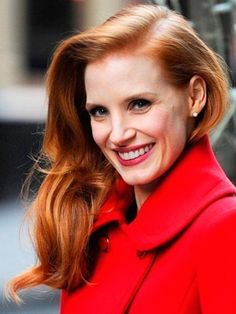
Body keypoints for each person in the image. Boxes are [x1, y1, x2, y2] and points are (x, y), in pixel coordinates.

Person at [7, 4, 236, 313]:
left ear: (195, 96)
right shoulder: (93, 222)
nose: (117, 134)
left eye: (139, 104)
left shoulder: (224, 228)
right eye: (99, 111)